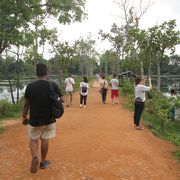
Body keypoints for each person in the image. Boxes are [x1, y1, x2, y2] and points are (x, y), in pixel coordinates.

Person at [22, 63, 64, 173]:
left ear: (36, 73)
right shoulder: (52, 85)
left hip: (34, 119)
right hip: (49, 119)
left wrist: (23, 116)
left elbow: (26, 104)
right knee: (45, 139)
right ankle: (43, 161)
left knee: (33, 138)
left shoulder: (30, 86)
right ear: (47, 73)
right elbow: (63, 99)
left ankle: (35, 157)